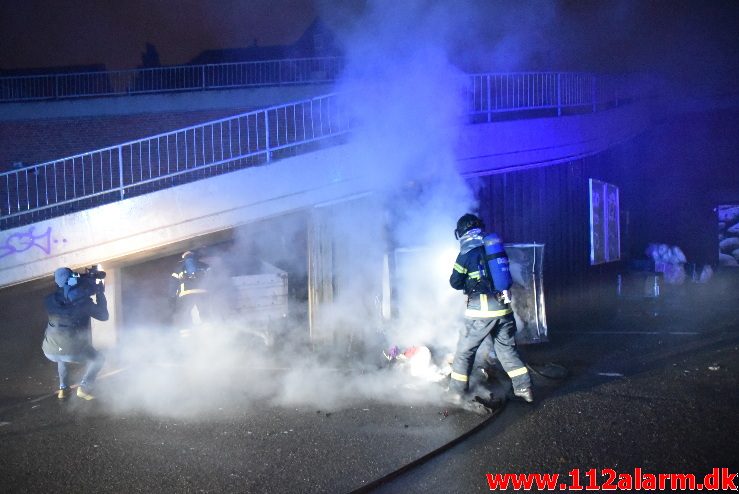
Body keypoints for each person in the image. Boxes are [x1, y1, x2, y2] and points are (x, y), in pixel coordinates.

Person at [447, 213, 533, 408]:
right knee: (506, 351)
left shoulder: (467, 254)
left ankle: (455, 393)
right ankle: (524, 389)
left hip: (480, 313)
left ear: (461, 232)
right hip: (504, 311)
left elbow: (454, 282)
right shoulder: (494, 248)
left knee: (464, 352)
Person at [42, 267, 108, 400]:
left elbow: (67, 290)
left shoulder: (49, 300)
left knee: (62, 356)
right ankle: (84, 387)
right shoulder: (83, 302)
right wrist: (99, 293)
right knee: (98, 359)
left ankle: (63, 389)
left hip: (50, 349)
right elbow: (103, 316)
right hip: (73, 350)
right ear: (72, 280)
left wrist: (82, 280)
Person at [169, 250, 210, 334]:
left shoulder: (178, 267)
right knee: (204, 310)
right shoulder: (204, 265)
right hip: (202, 291)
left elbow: (173, 283)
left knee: (184, 312)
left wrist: (172, 296)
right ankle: (207, 331)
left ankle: (186, 333)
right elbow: (214, 277)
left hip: (185, 293)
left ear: (183, 257)